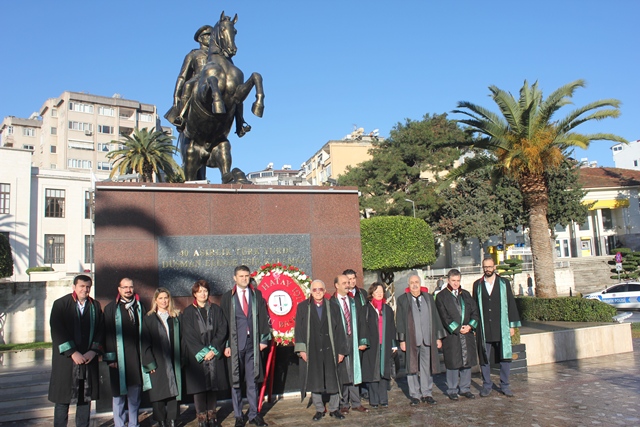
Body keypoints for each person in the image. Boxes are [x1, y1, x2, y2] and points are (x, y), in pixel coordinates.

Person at [48, 274, 104, 427]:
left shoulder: (95, 306)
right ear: (74, 287)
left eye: (87, 287)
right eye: (81, 286)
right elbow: (57, 331)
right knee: (62, 400)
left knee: (84, 399)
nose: (85, 290)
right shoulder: (61, 304)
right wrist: (72, 352)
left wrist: (93, 351)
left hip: (88, 359)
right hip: (66, 361)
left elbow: (101, 330)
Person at [221, 266, 271, 427]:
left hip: (253, 344)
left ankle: (254, 414)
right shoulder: (227, 297)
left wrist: (264, 340)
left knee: (252, 380)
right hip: (236, 344)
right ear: (234, 278)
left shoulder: (257, 295)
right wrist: (227, 344)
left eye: (246, 276)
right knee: (235, 381)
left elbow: (263, 318)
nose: (244, 278)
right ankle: (238, 415)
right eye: (241, 276)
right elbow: (224, 324)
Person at [295, 279, 348, 422]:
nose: (317, 292)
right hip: (312, 349)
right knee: (315, 379)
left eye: (320, 289)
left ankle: (334, 408)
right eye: (314, 290)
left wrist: (341, 351)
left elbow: (340, 331)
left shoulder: (334, 307)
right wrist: (302, 350)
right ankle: (319, 409)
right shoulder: (303, 307)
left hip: (331, 348)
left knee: (333, 379)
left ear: (325, 291)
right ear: (310, 292)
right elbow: (299, 330)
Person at [473, 258, 522, 398]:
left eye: (490, 266)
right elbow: (475, 307)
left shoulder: (503, 283)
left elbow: (511, 304)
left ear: (494, 267)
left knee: (505, 357)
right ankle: (487, 385)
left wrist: (512, 326)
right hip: (484, 327)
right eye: (485, 267)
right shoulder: (477, 285)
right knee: (484, 356)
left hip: (501, 326)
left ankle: (505, 384)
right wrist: (475, 327)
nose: (487, 269)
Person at [182, 280, 228, 427]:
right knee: (199, 388)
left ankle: (212, 416)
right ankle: (202, 418)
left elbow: (222, 329)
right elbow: (188, 335)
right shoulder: (188, 312)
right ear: (194, 294)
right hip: (198, 356)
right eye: (200, 291)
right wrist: (203, 352)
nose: (203, 294)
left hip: (214, 354)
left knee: (213, 387)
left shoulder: (216, 309)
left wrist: (213, 349)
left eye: (205, 291)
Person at [103, 278, 148, 427]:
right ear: (119, 289)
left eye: (130, 287)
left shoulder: (140, 307)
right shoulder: (111, 309)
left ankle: (134, 424)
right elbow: (107, 334)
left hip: (135, 357)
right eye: (125, 287)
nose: (128, 290)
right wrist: (111, 358)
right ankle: (120, 424)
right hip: (118, 359)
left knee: (134, 396)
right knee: (118, 396)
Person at [395, 274, 445, 406]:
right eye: (412, 282)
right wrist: (402, 340)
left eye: (417, 282)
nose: (415, 285)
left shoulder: (428, 298)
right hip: (411, 339)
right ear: (408, 285)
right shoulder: (402, 300)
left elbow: (436, 318)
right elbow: (399, 320)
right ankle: (415, 395)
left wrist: (438, 337)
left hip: (427, 338)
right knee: (411, 367)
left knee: (426, 367)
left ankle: (427, 393)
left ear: (420, 283)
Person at [435, 269, 480, 401]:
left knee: (467, 362)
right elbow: (444, 317)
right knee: (453, 362)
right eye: (453, 281)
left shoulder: (466, 295)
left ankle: (465, 388)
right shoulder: (441, 296)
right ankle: (452, 389)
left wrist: (470, 326)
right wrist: (458, 328)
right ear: (448, 280)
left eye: (458, 281)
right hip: (452, 335)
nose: (455, 283)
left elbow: (475, 312)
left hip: (467, 333)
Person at [142, 288, 183, 427]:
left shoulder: (175, 317)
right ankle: (161, 421)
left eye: (166, 298)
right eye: (160, 298)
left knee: (174, 391)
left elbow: (182, 339)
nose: (164, 301)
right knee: (158, 393)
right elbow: (145, 342)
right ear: (155, 300)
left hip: (174, 358)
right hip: (157, 360)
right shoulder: (149, 318)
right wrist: (150, 363)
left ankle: (172, 420)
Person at [330, 275, 369, 414]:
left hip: (354, 339)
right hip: (340, 340)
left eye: (348, 283)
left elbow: (361, 322)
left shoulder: (353, 301)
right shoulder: (331, 303)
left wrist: (362, 340)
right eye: (344, 283)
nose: (347, 285)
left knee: (354, 371)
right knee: (343, 372)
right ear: (336, 285)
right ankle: (344, 403)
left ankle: (356, 402)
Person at [165, 25, 214, 128]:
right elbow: (182, 76)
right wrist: (176, 97)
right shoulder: (193, 54)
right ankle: (182, 117)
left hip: (215, 81)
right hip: (199, 78)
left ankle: (239, 122)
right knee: (187, 85)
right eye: (207, 35)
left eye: (212, 35)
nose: (211, 38)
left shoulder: (217, 55)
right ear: (200, 38)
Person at [361, 282, 397, 408]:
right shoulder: (366, 308)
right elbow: (363, 327)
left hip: (385, 345)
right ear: (372, 293)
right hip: (372, 346)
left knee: (383, 373)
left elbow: (392, 327)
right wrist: (364, 342)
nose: (379, 294)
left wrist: (393, 344)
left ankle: (383, 399)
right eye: (376, 292)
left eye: (381, 291)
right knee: (373, 373)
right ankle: (374, 400)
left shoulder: (387, 309)